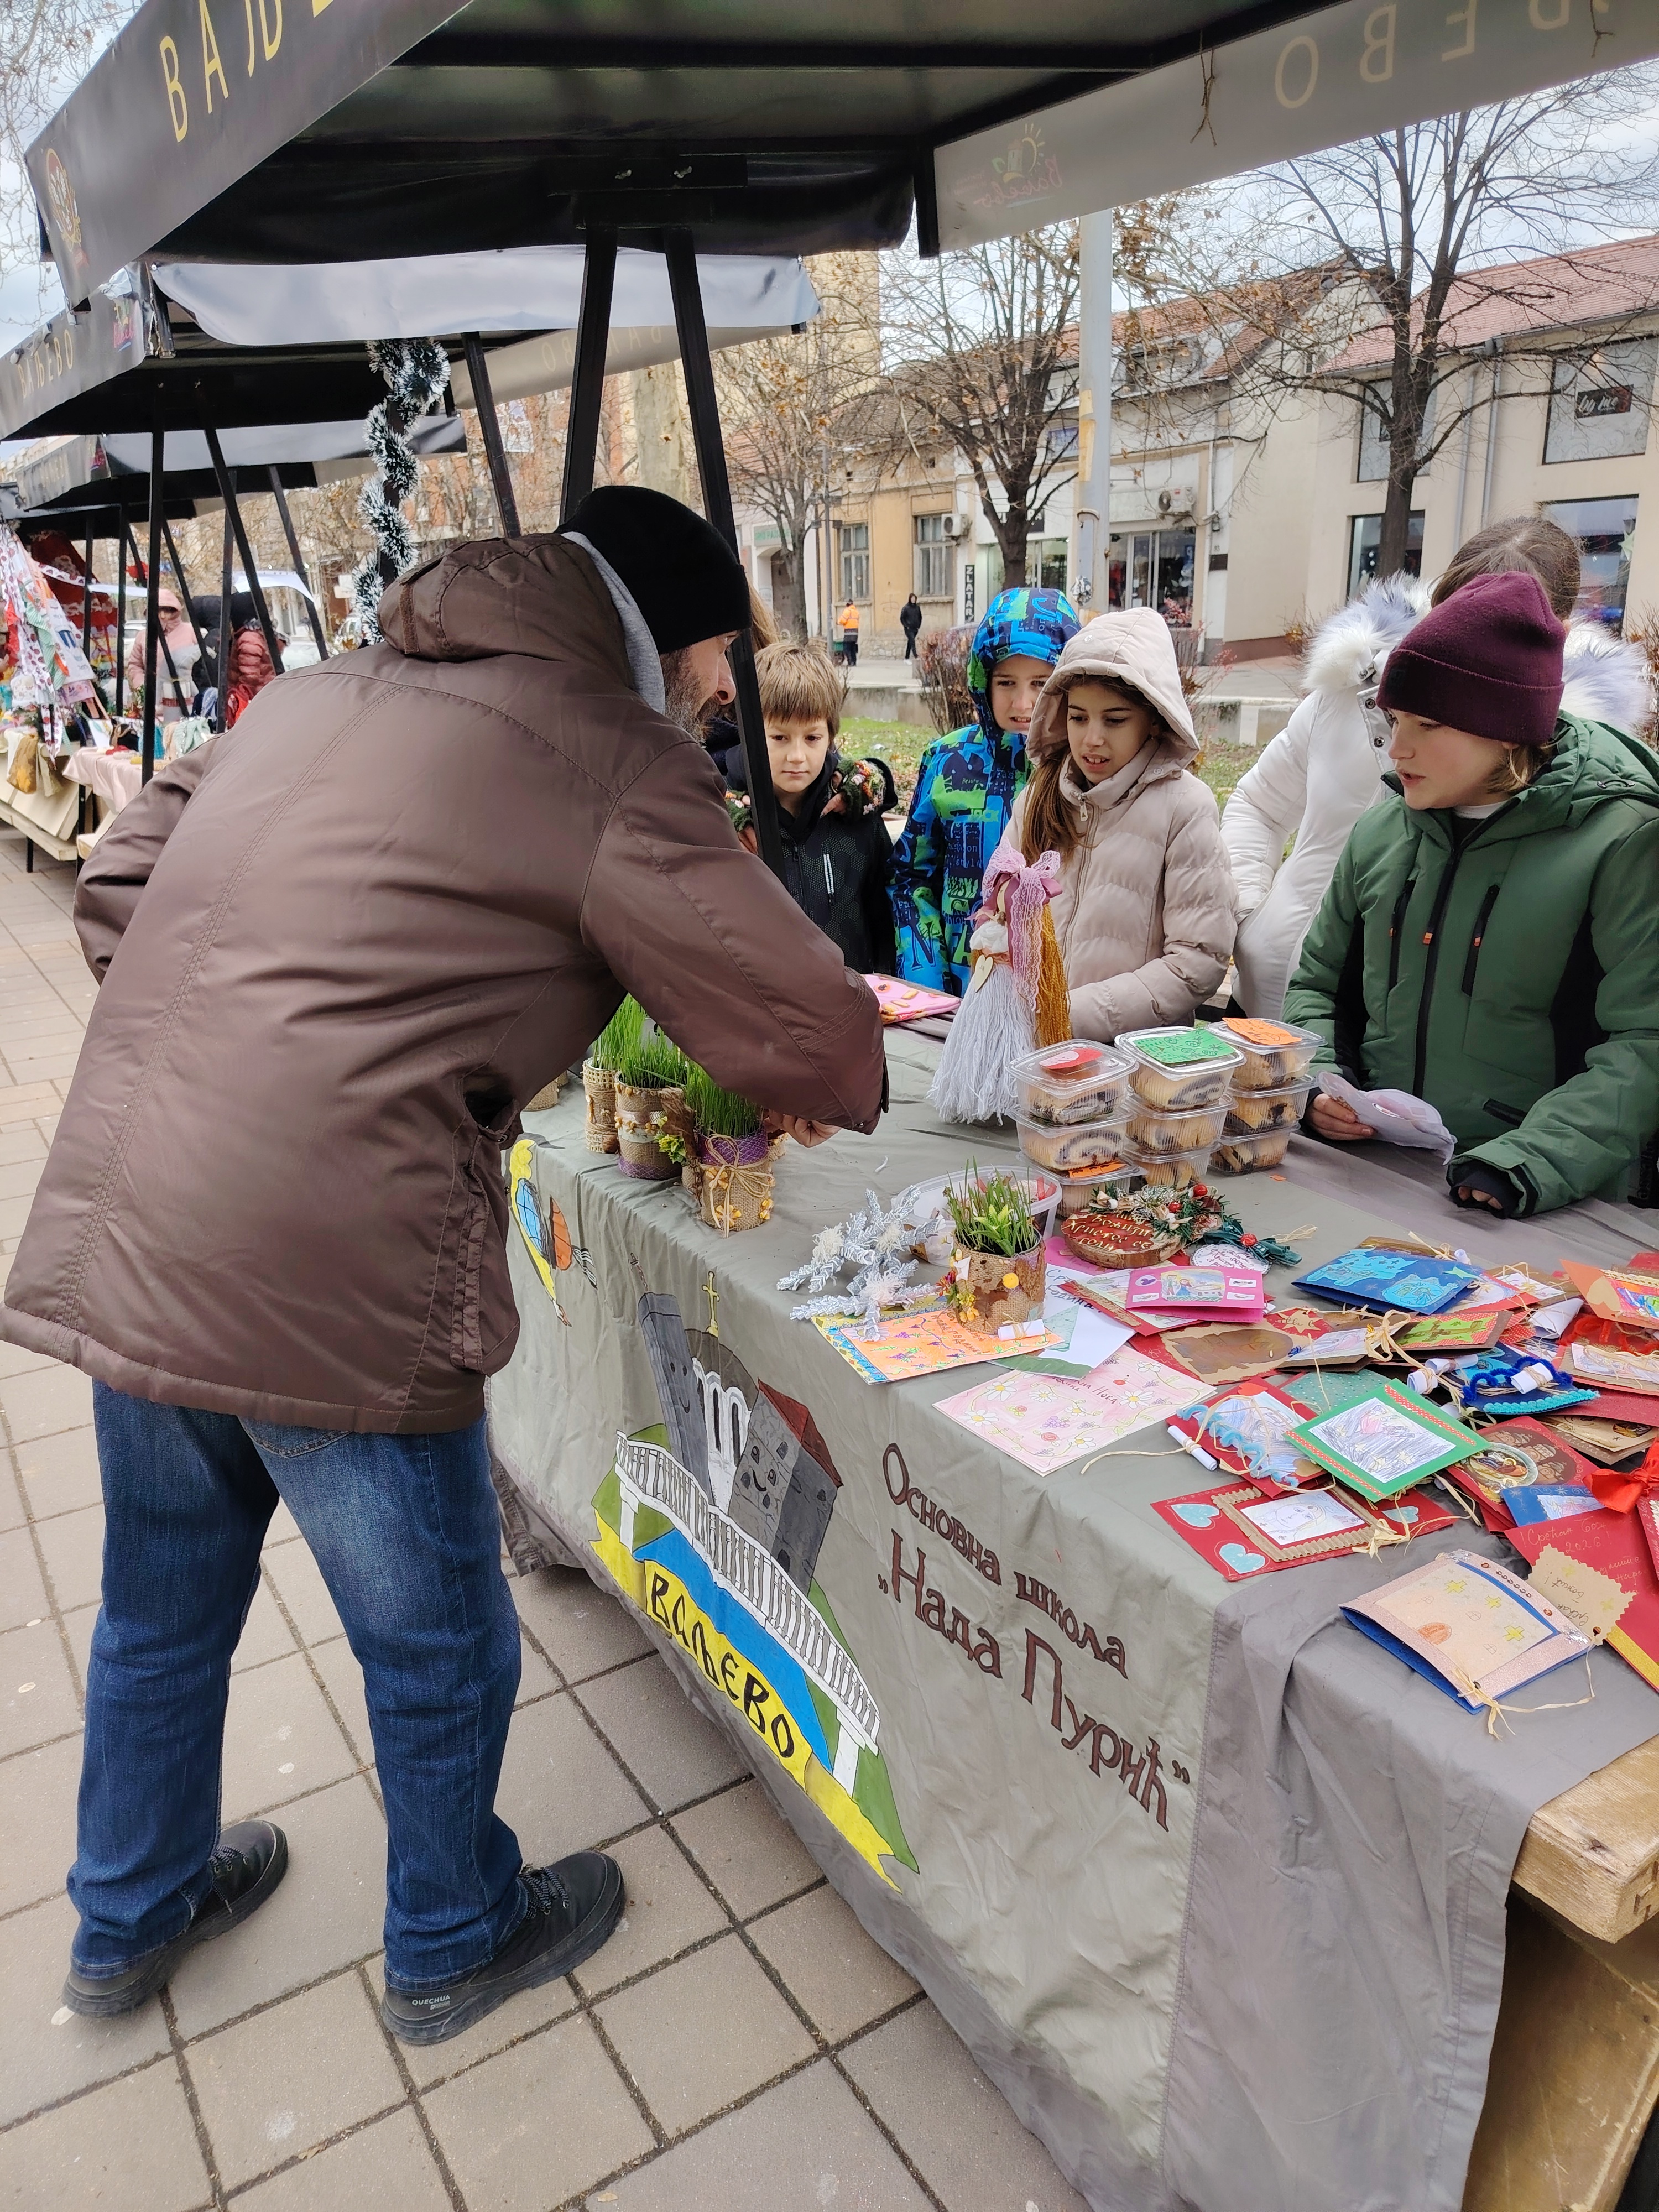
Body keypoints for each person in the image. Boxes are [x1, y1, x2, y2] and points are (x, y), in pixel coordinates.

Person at [0, 485, 885, 2044]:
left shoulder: (319, 690)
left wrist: (255, 1034)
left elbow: (123, 881)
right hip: (334, 1255)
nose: (716, 706)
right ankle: (454, 1932)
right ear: (668, 640)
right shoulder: (614, 757)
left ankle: (122, 1918)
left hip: (145, 1208)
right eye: (711, 676)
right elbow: (815, 1038)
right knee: (437, 1632)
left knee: (155, 1606)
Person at [1286, 571, 1659, 1219]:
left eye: (1429, 724)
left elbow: (1646, 1041)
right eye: (1394, 717)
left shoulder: (1622, 841)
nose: (1398, 746)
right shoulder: (1382, 829)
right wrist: (1320, 1086)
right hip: (1371, 1174)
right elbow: (1317, 984)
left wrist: (1529, 1160)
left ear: (1507, 730)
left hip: (1532, 1198)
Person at [1223, 515, 1653, 1018]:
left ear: (1552, 633)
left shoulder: (1563, 773)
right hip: (1262, 1001)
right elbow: (1259, 804)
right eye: (1456, 615)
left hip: (1378, 1043)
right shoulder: (1348, 691)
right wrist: (1252, 919)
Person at [1003, 609, 1235, 1039]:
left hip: (1131, 1066)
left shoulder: (1185, 807)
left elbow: (1196, 963)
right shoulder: (1040, 795)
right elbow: (1000, 905)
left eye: (1114, 720)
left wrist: (1071, 1016)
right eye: (1078, 718)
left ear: (1153, 718)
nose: (1093, 739)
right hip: (1027, 1046)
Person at [890, 585, 1080, 993]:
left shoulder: (1081, 770)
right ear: (983, 681)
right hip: (958, 990)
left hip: (1057, 996)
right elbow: (911, 877)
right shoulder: (947, 761)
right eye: (1007, 683)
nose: (1023, 703)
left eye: (1041, 684)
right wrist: (926, 977)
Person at [726, 640, 896, 973]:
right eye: (779, 738)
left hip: (853, 1001)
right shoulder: (728, 823)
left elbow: (884, 914)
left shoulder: (859, 818)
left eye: (812, 738)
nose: (797, 757)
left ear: (831, 735)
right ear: (748, 733)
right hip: (766, 1007)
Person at [900, 593, 923, 660]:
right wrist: (906, 626)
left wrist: (919, 625)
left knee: (910, 642)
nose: (913, 600)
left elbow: (920, 617)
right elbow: (902, 618)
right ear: (910, 599)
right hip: (909, 629)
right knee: (912, 641)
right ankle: (916, 655)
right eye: (912, 598)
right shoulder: (906, 608)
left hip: (915, 628)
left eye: (914, 599)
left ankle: (907, 657)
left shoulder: (917, 608)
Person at [839, 597, 861, 667]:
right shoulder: (856, 612)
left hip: (848, 632)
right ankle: (854, 662)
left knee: (847, 648)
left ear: (847, 605)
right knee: (853, 648)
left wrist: (838, 622)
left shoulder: (847, 611)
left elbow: (843, 621)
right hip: (855, 632)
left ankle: (850, 661)